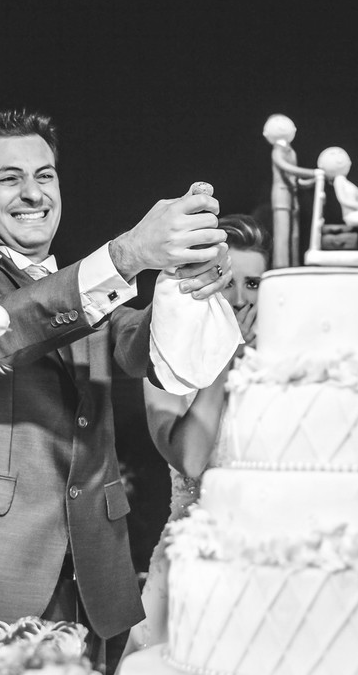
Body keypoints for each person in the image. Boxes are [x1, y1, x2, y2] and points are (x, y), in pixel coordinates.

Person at [0, 110, 232, 674]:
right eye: (9, 177)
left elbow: (150, 353)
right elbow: (2, 332)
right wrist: (129, 255)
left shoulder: (85, 289)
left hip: (89, 582)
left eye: (44, 175)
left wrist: (182, 280)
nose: (32, 192)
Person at [122, 215, 269, 656]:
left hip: (273, 565)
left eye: (255, 284)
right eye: (227, 282)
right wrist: (227, 356)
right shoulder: (167, 365)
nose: (241, 299)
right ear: (202, 282)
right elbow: (190, 459)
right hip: (195, 569)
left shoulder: (286, 368)